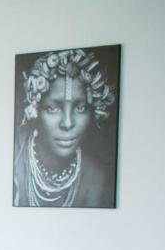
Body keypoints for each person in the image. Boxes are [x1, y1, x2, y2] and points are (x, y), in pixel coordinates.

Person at [13, 48, 118, 207]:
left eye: (80, 108)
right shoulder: (15, 159)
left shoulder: (95, 178)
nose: (67, 123)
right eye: (53, 109)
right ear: (35, 110)